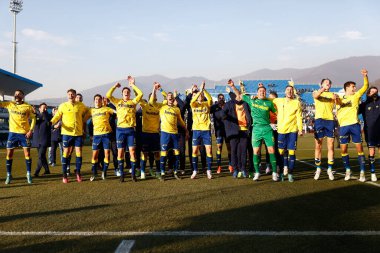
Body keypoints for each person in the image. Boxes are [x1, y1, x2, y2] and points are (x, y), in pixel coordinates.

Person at [229, 80, 278, 181]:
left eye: (264, 91)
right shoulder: (252, 100)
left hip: (267, 129)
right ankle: (257, 172)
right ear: (257, 93)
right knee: (256, 151)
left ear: (266, 93)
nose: (262, 92)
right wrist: (233, 86)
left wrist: (277, 123)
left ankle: (274, 172)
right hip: (256, 130)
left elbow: (277, 113)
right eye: (260, 91)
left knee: (271, 150)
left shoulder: (269, 103)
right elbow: (239, 94)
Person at [106, 76, 143, 182]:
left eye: (128, 91)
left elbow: (140, 94)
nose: (126, 92)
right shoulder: (118, 102)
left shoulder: (133, 102)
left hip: (130, 130)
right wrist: (115, 86)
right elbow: (108, 95)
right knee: (120, 152)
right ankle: (122, 174)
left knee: (132, 151)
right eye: (125, 91)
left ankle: (133, 174)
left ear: (129, 94)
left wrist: (132, 85)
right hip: (120, 130)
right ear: (122, 94)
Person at [150, 82, 188, 180]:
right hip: (165, 133)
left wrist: (186, 130)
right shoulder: (162, 107)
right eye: (168, 96)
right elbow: (152, 102)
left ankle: (176, 172)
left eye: (171, 96)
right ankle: (162, 173)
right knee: (164, 154)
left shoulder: (176, 110)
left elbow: (181, 121)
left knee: (177, 153)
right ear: (166, 99)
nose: (170, 97)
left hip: (175, 134)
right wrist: (155, 89)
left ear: (173, 99)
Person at [51, 88, 90, 183]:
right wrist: (51, 123)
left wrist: (84, 120)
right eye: (69, 94)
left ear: (75, 95)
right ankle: (64, 175)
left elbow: (89, 111)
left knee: (79, 153)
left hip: (78, 133)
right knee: (66, 153)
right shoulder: (63, 106)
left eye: (72, 94)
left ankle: (78, 173)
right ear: (67, 95)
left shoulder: (81, 105)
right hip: (66, 133)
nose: (71, 95)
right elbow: (57, 116)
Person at [336, 69, 369, 182]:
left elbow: (365, 86)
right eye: (353, 86)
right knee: (343, 150)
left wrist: (365, 76)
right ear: (347, 88)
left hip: (355, 125)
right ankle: (348, 170)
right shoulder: (339, 98)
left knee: (360, 149)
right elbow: (338, 103)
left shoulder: (356, 96)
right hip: (343, 127)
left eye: (355, 86)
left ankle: (362, 172)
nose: (355, 88)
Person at [0, 89, 36, 184]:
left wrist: (30, 130)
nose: (17, 95)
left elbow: (33, 118)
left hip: (24, 133)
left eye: (19, 94)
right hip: (12, 134)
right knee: (9, 154)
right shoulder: (10, 104)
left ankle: (28, 174)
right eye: (15, 94)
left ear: (22, 96)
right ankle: (9, 175)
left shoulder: (27, 107)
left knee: (27, 154)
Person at [217, 81, 251, 178]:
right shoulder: (229, 104)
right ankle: (235, 169)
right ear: (235, 95)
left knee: (243, 151)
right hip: (233, 131)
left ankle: (243, 169)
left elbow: (249, 115)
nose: (239, 96)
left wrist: (249, 124)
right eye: (238, 95)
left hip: (244, 131)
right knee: (234, 151)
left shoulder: (245, 104)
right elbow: (222, 113)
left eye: (241, 95)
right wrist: (225, 117)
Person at [272, 85, 303, 182]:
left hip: (292, 130)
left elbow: (299, 116)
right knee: (281, 152)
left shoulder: (297, 103)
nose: (289, 91)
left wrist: (300, 129)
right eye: (288, 90)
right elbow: (268, 99)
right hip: (281, 130)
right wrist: (256, 97)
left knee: (291, 151)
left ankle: (290, 173)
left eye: (291, 90)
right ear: (285, 91)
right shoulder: (278, 100)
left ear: (293, 92)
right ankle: (282, 171)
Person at [313, 78, 339, 180]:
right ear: (322, 84)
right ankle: (318, 169)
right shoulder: (316, 92)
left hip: (330, 121)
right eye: (326, 82)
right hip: (319, 120)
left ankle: (329, 169)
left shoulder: (333, 94)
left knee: (331, 145)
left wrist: (337, 98)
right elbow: (315, 96)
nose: (328, 84)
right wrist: (322, 89)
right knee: (318, 145)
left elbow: (338, 105)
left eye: (329, 83)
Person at [190, 81, 213, 179]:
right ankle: (195, 170)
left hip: (206, 130)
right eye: (199, 95)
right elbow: (193, 99)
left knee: (209, 151)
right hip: (196, 130)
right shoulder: (193, 104)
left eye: (202, 95)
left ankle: (208, 170)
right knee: (194, 151)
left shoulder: (206, 104)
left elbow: (210, 99)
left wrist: (204, 89)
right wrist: (199, 91)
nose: (200, 96)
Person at [88, 94, 115, 181]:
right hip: (96, 136)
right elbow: (85, 120)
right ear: (94, 101)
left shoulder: (106, 108)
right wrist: (90, 134)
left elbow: (116, 112)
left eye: (99, 99)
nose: (97, 101)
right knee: (94, 155)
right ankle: (94, 173)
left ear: (101, 101)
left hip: (106, 135)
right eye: (96, 99)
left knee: (107, 154)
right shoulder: (91, 111)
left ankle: (104, 172)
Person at [359, 86, 380, 182]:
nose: (374, 93)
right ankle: (372, 172)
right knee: (372, 151)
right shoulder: (364, 104)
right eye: (372, 91)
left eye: (376, 91)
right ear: (368, 94)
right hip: (369, 130)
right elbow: (354, 111)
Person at [139, 95, 161, 179]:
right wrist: (133, 85)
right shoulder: (145, 105)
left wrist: (160, 89)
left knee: (156, 153)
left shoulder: (159, 107)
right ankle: (143, 171)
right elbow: (139, 98)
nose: (154, 99)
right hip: (146, 133)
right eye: (153, 97)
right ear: (150, 99)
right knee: (144, 153)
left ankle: (158, 171)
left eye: (155, 98)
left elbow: (167, 98)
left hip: (155, 133)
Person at [210, 93, 231, 174]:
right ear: (218, 99)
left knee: (229, 148)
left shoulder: (227, 106)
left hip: (227, 130)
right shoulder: (214, 107)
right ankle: (219, 166)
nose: (221, 99)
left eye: (222, 98)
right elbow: (206, 111)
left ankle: (230, 165)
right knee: (219, 148)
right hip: (218, 131)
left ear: (224, 99)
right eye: (220, 98)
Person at [33, 103, 52, 177]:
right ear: (39, 108)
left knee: (41, 156)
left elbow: (48, 121)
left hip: (45, 139)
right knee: (42, 156)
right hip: (37, 139)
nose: (45, 109)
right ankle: (47, 170)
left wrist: (43, 113)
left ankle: (36, 172)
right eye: (43, 108)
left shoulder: (48, 116)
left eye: (46, 108)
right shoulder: (36, 116)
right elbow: (34, 122)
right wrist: (34, 113)